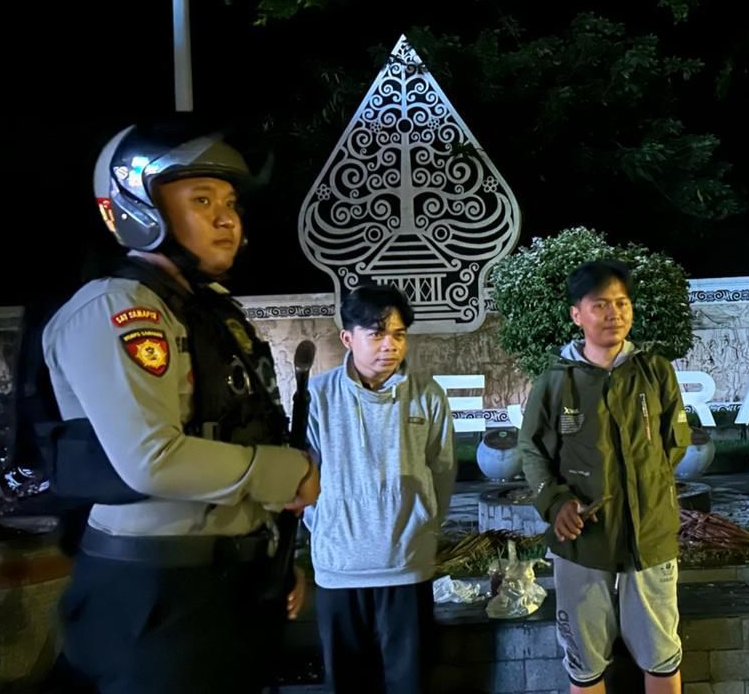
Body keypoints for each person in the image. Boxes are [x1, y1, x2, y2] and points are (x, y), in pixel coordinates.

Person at [46, 120, 320, 694]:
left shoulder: (209, 311)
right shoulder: (119, 308)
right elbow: (153, 459)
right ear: (140, 208)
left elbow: (237, 435)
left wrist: (267, 556)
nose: (226, 219)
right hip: (156, 596)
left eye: (230, 203)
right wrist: (288, 472)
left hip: (222, 586)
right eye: (202, 200)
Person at [517, 259, 693, 694]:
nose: (614, 313)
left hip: (650, 538)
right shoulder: (556, 381)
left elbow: (673, 443)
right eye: (600, 305)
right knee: (585, 660)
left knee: (661, 654)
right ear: (577, 315)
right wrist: (556, 502)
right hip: (583, 540)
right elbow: (532, 450)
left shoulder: (654, 371)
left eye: (622, 303)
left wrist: (647, 493)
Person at [302, 283, 456, 694]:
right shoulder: (318, 397)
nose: (390, 345)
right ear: (347, 338)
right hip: (339, 570)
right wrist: (329, 526)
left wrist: (424, 526)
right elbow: (304, 479)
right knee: (350, 685)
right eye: (377, 334)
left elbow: (442, 472)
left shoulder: (427, 395)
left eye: (399, 334)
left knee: (410, 683)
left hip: (407, 566)